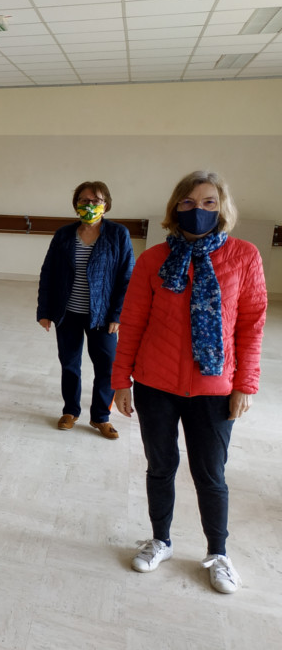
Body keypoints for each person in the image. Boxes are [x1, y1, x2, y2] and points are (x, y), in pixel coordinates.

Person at [113, 171, 266, 594]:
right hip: (155, 385)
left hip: (214, 390)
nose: (198, 210)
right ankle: (160, 540)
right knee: (160, 467)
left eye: (208, 202)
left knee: (210, 474)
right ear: (175, 208)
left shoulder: (244, 256)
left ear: (222, 208)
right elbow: (132, 322)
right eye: (188, 202)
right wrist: (120, 380)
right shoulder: (153, 259)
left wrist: (246, 384)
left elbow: (251, 325)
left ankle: (218, 553)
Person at [36, 181, 134, 438]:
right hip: (67, 312)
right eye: (83, 200)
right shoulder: (64, 235)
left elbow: (127, 277)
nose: (89, 205)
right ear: (76, 204)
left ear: (106, 205)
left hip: (102, 315)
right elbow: (48, 272)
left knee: (107, 366)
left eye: (95, 201)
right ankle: (70, 410)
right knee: (70, 364)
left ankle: (101, 416)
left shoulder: (118, 234)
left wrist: (117, 314)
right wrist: (44, 311)